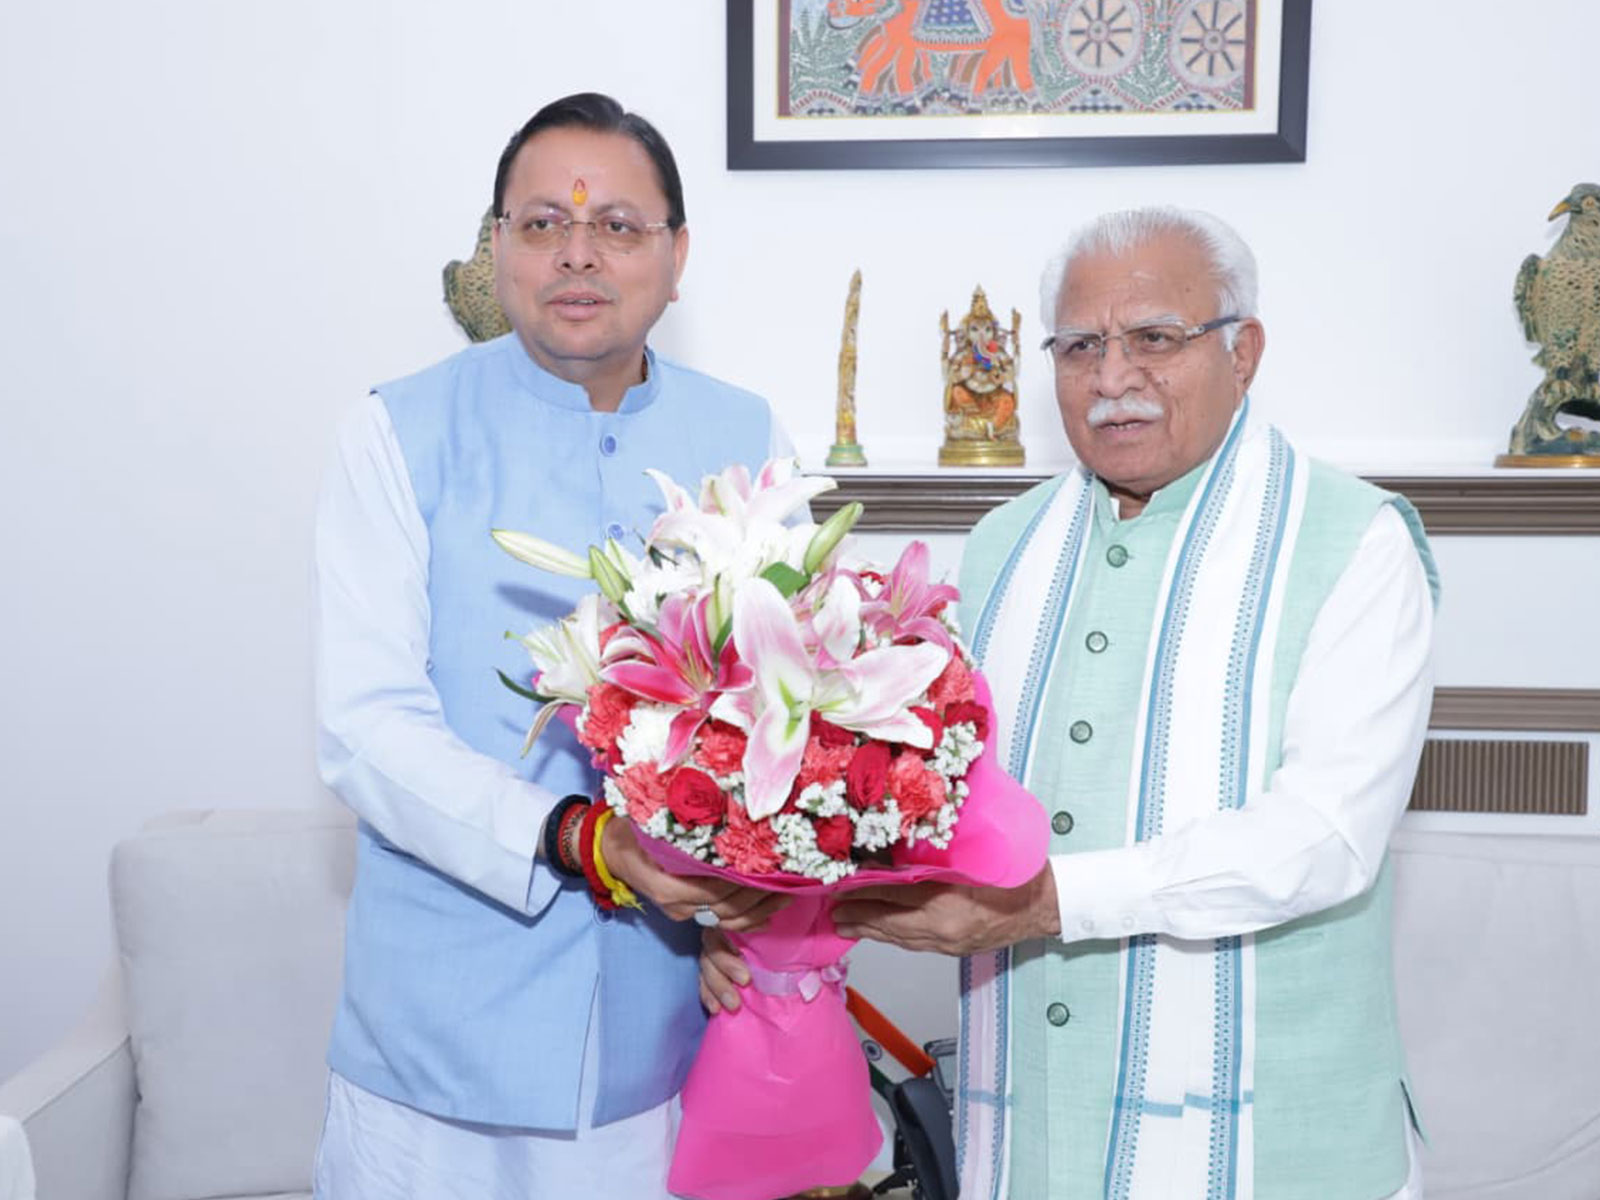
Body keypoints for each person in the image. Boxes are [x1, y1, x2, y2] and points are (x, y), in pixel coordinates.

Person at [708, 207, 1438, 1199]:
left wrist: (1048, 902)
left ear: (1244, 351)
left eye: (1154, 339)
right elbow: (926, 798)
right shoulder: (1005, 545)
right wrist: (770, 925)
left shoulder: (1353, 542)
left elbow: (1324, 838)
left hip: (1272, 1143)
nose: (1111, 379)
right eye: (1079, 346)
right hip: (1035, 1115)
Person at [313, 92, 790, 1198]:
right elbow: (365, 728)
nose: (578, 254)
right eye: (540, 224)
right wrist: (578, 840)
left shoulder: (747, 437)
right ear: (495, 251)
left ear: (677, 256)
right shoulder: (394, 431)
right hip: (433, 1049)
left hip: (663, 1038)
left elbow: (782, 710)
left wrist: (755, 917)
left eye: (618, 226)